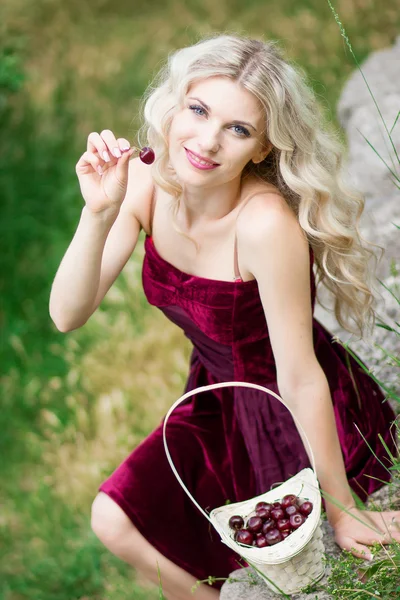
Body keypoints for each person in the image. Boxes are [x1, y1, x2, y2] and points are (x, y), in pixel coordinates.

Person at [49, 34, 400, 600]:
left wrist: (343, 513)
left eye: (238, 129)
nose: (207, 141)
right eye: (198, 110)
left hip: (288, 412)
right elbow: (67, 314)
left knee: (269, 565)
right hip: (214, 395)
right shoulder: (145, 180)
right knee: (114, 520)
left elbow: (300, 372)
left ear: (263, 149)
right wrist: (98, 212)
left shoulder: (263, 226)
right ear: (174, 105)